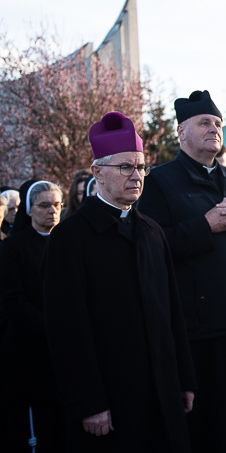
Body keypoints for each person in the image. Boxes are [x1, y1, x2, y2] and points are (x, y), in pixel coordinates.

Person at [136, 90, 226, 453]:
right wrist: (205, 226)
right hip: (203, 329)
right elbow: (151, 248)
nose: (214, 129)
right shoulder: (159, 183)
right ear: (182, 132)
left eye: (217, 123)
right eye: (205, 123)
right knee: (217, 428)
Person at [43, 111, 197, 452]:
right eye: (125, 167)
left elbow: (173, 311)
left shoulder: (152, 231)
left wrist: (184, 379)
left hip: (162, 387)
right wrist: (88, 401)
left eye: (141, 167)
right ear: (97, 172)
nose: (136, 176)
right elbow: (66, 328)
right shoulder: (70, 238)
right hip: (109, 398)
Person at [0, 180, 66, 451]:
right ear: (29, 210)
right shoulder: (13, 247)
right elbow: (12, 300)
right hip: (30, 349)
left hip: (64, 349)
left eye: (57, 205)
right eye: (44, 205)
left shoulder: (67, 242)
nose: (52, 211)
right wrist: (49, 326)